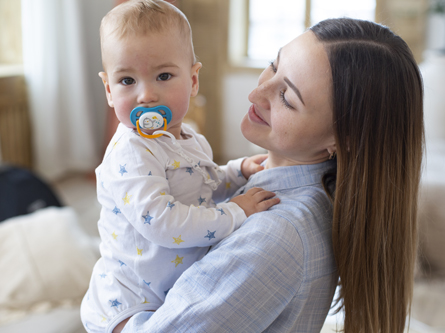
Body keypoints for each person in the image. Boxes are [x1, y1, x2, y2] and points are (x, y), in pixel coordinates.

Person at [117, 17, 424, 333]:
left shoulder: (273, 235)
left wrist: (113, 313)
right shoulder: (303, 192)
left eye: (287, 98)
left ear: (340, 140)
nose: (257, 93)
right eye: (273, 67)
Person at [80, 1, 280, 332]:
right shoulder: (131, 152)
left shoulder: (192, 139)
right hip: (131, 300)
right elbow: (163, 222)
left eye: (163, 76)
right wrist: (235, 212)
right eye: (127, 80)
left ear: (193, 80)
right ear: (109, 90)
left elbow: (203, 183)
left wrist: (236, 171)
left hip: (169, 289)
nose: (146, 95)